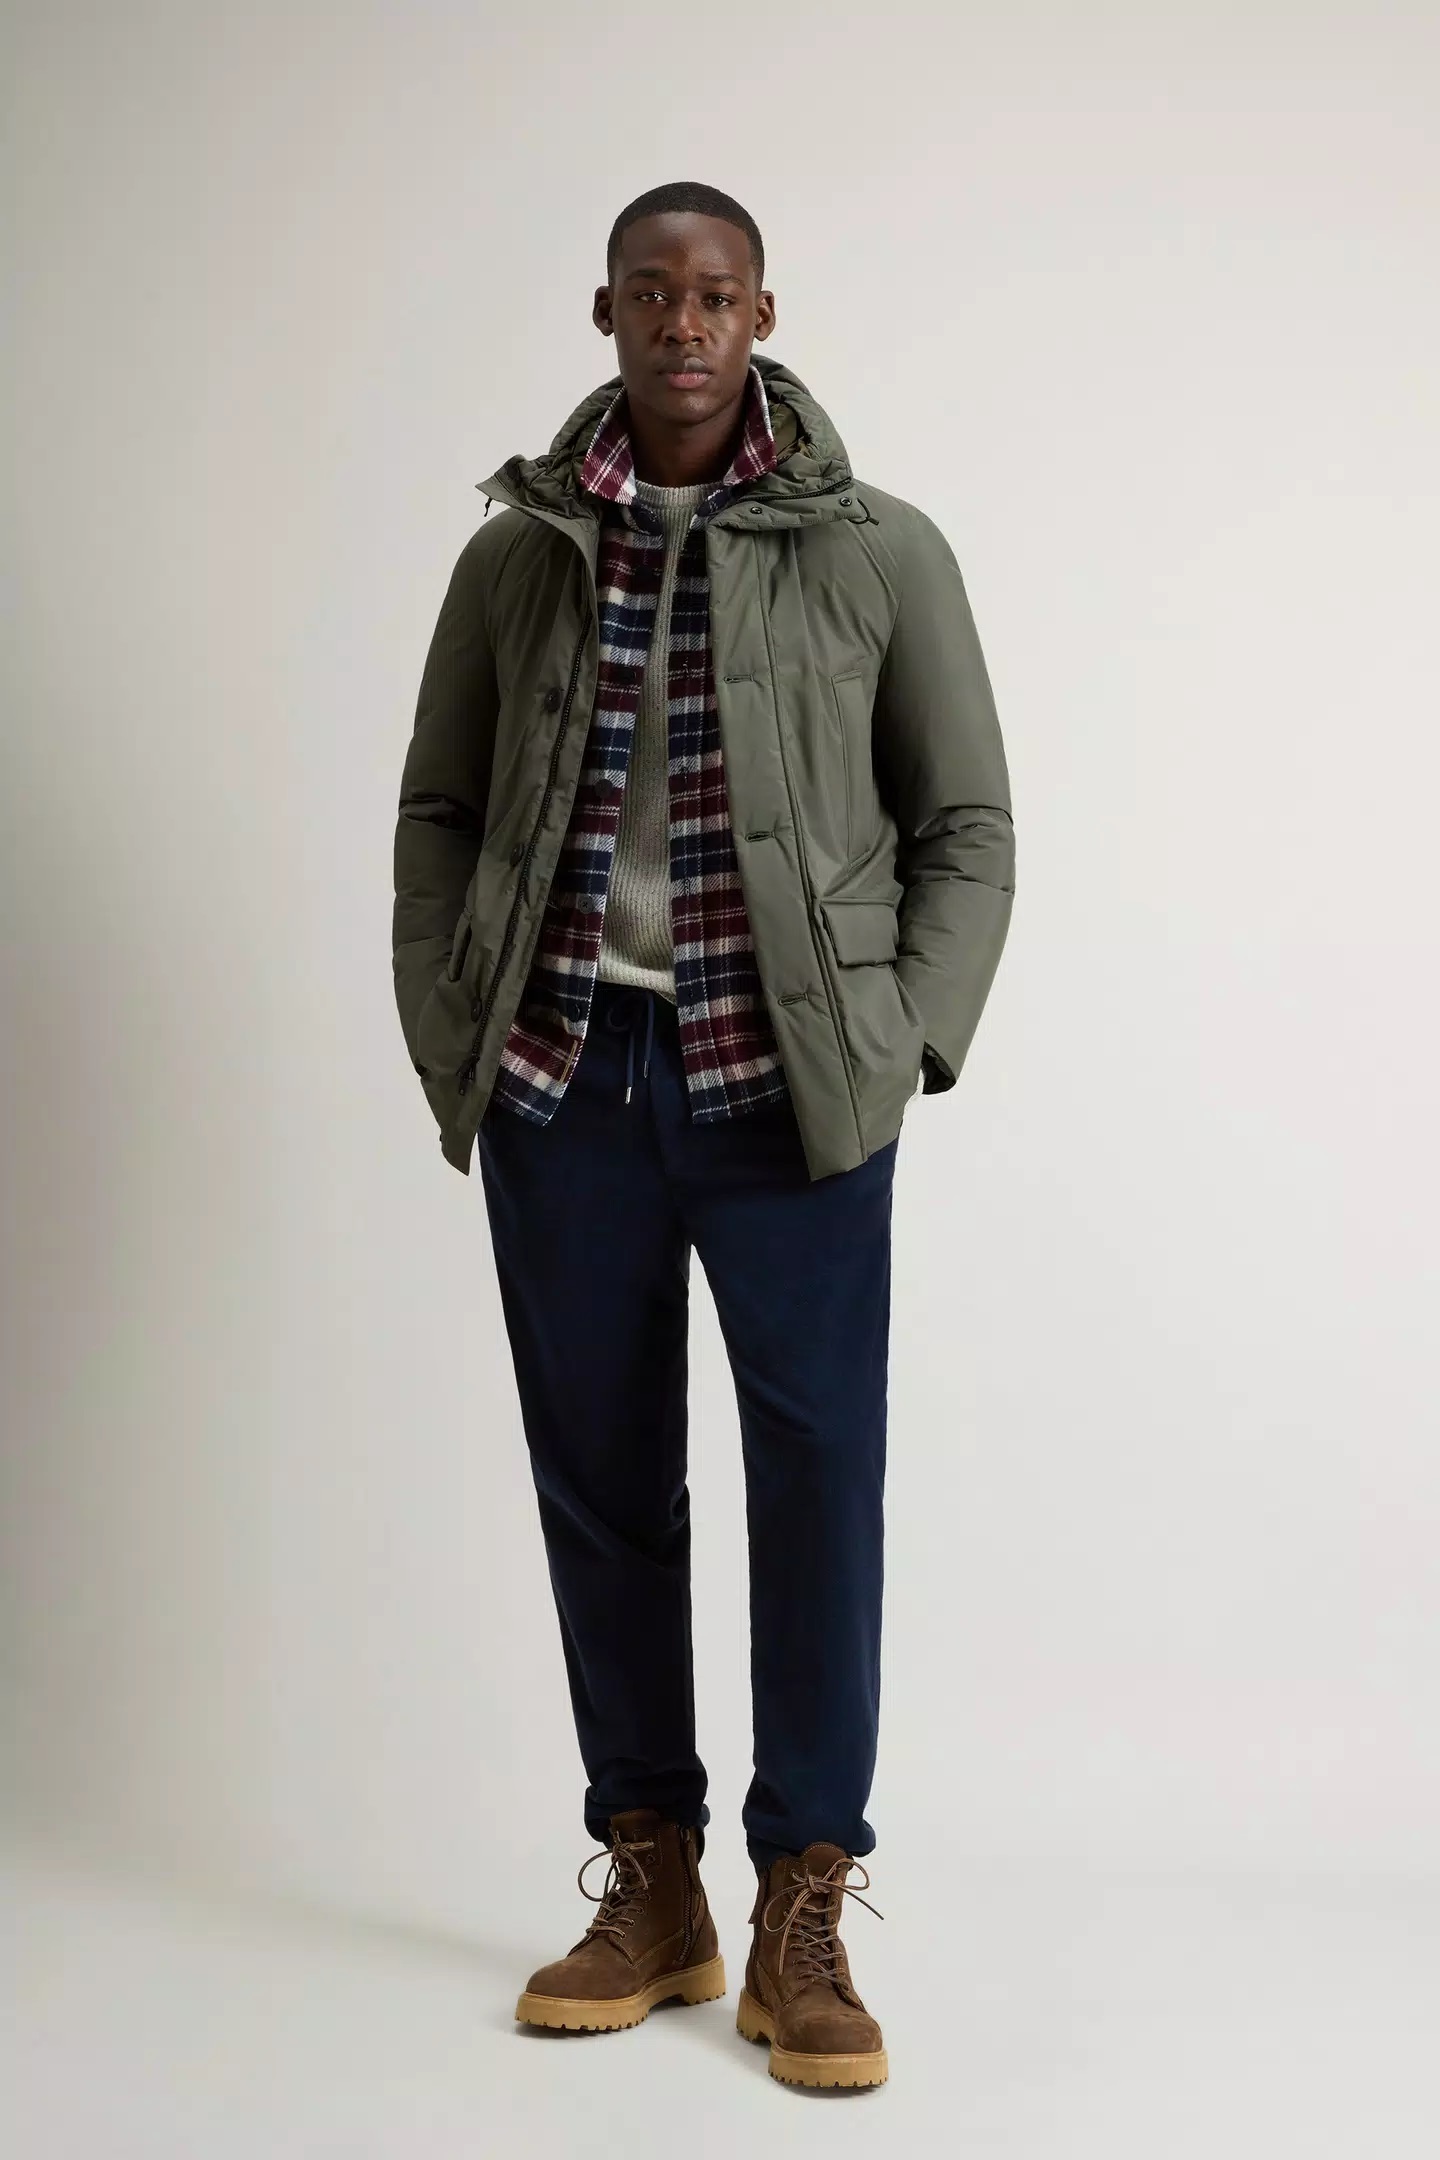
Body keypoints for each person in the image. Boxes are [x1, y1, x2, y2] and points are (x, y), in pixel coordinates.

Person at [390, 179, 1015, 2092]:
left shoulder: (879, 550)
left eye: (717, 293)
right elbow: (438, 809)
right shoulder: (516, 560)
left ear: (763, 316)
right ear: (605, 313)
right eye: (652, 292)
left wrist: (903, 1041)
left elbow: (966, 826)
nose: (685, 322)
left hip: (792, 1089)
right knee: (601, 1481)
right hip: (565, 1079)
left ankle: (804, 1896)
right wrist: (453, 1019)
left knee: (818, 1481)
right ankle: (651, 1880)